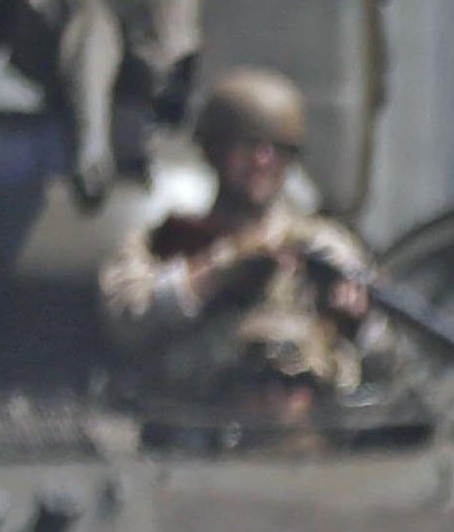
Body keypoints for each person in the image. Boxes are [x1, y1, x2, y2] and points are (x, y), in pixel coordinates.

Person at [99, 68, 383, 416]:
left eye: (277, 150)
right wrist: (219, 269)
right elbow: (127, 318)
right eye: (247, 145)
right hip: (196, 431)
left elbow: (387, 354)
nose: (262, 160)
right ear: (214, 150)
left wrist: (356, 322)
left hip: (309, 437)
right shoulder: (159, 242)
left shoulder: (326, 246)